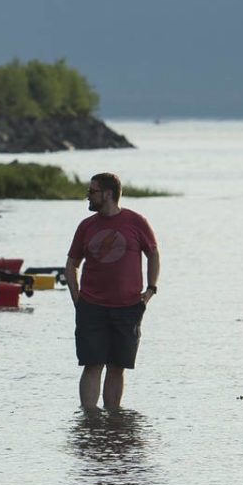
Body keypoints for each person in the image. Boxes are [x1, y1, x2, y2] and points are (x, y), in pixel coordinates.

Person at [64, 172, 160, 411]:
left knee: (117, 365)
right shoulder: (86, 226)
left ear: (108, 194)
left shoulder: (136, 222)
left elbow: (153, 254)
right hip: (91, 306)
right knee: (92, 363)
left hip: (128, 307)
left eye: (92, 191)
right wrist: (77, 298)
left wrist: (150, 291)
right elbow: (72, 264)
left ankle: (114, 421)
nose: (88, 196)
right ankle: (89, 418)